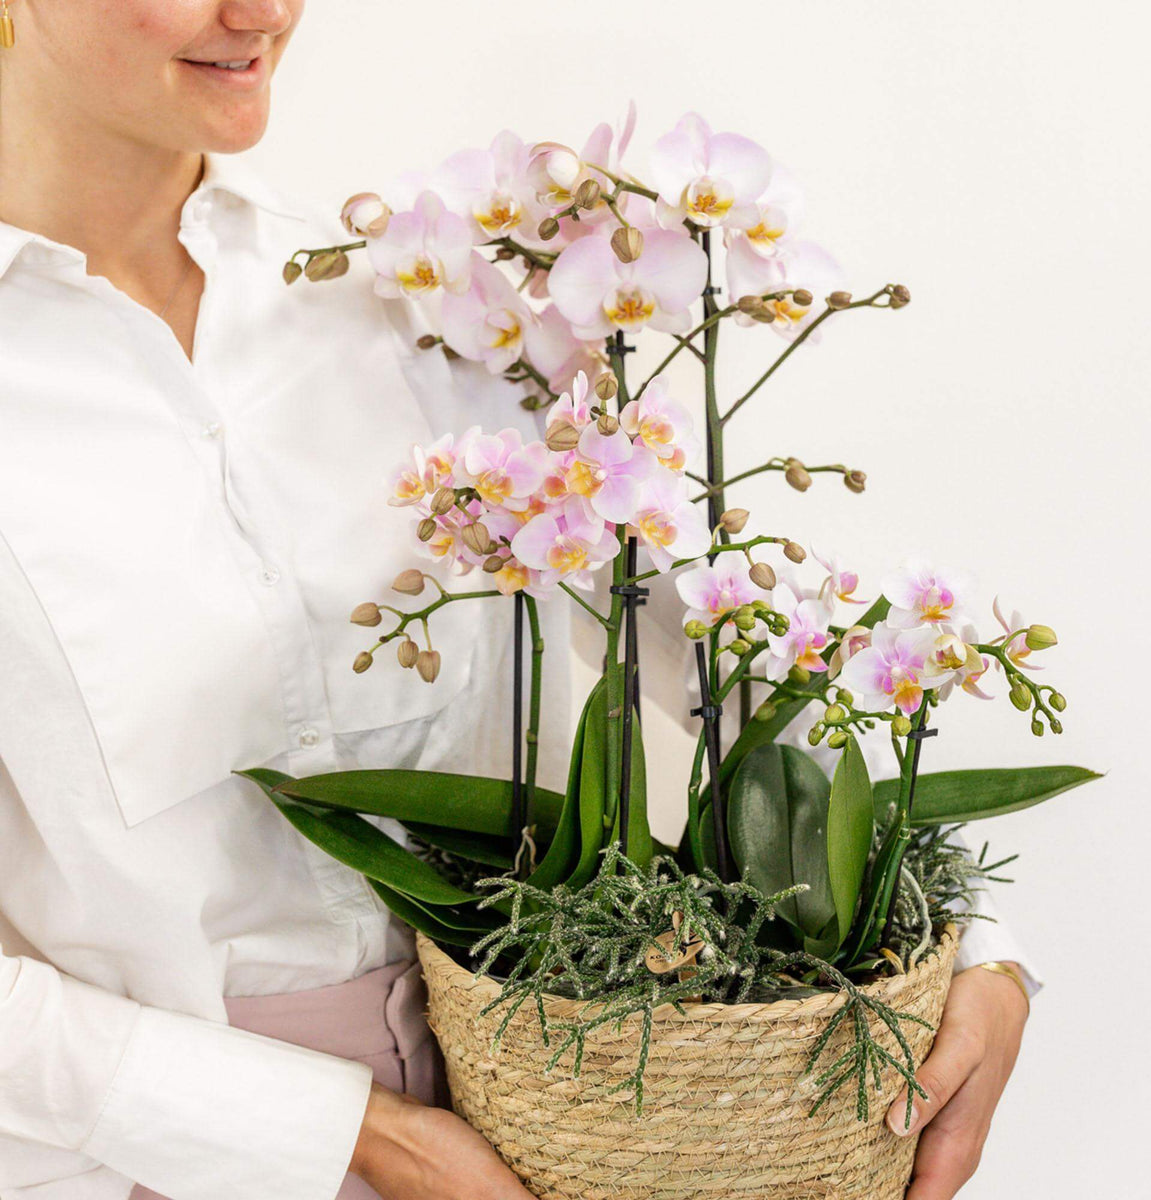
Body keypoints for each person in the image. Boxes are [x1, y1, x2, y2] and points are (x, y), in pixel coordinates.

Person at [0, 4, 1035, 1199]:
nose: (266, 10)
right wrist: (347, 1136)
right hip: (140, 1168)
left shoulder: (414, 300)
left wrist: (975, 957)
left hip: (569, 1127)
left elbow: (729, 655)